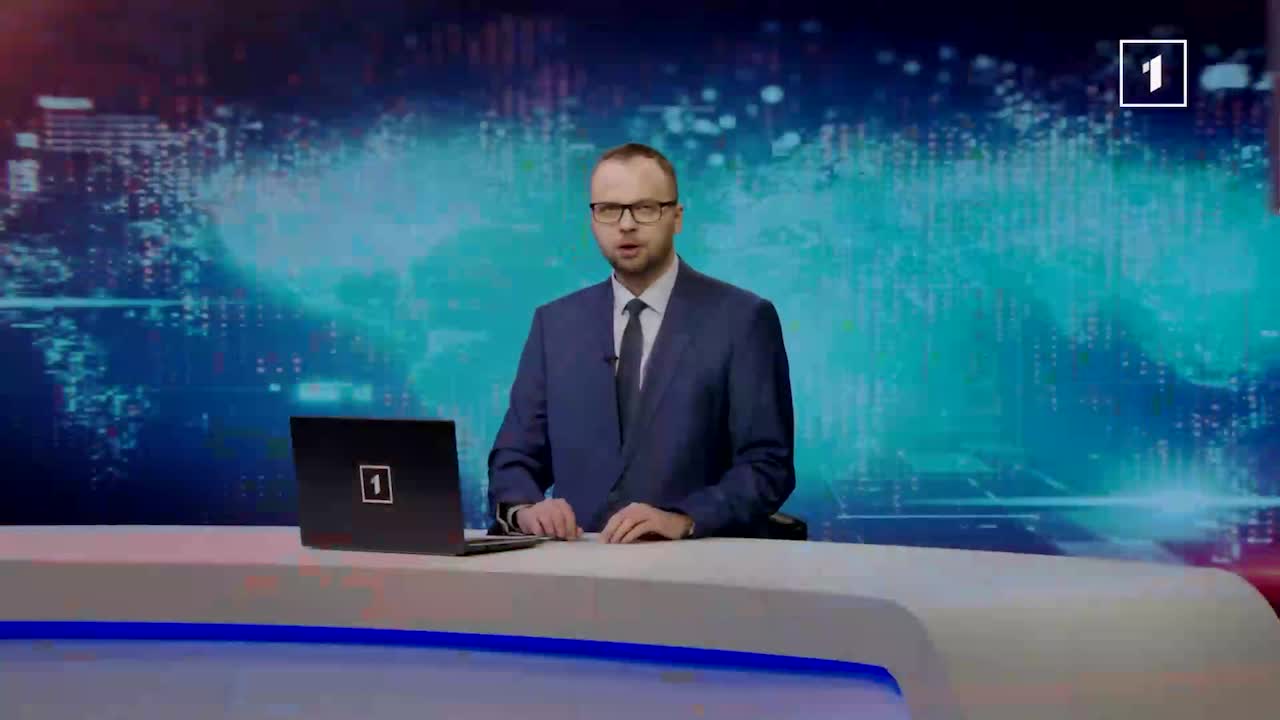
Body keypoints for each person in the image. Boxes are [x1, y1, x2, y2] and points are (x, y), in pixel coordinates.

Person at [487, 142, 795, 543]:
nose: (626, 225)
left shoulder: (743, 320)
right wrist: (526, 510)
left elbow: (768, 466)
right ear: (593, 219)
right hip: (575, 565)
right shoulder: (555, 324)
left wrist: (684, 519)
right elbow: (515, 458)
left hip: (696, 566)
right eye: (609, 210)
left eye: (645, 208)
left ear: (676, 217)